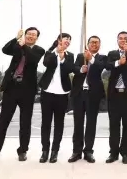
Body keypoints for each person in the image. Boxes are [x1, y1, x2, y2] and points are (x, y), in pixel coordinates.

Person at [0, 27, 45, 163]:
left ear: (37, 38)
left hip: (27, 90)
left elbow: (33, 59)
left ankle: (22, 150)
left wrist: (24, 46)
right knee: (3, 121)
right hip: (11, 88)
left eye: (33, 35)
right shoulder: (18, 45)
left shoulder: (39, 50)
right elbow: (6, 50)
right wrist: (16, 39)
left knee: (25, 122)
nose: (30, 36)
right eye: (28, 34)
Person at [68, 35, 107, 163]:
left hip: (93, 94)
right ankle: (76, 151)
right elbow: (73, 68)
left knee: (91, 123)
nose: (94, 44)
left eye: (96, 42)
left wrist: (91, 59)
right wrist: (80, 69)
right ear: (88, 44)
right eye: (92, 42)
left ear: (99, 45)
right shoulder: (81, 56)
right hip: (79, 94)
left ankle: (88, 151)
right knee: (78, 123)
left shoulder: (102, 58)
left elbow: (100, 67)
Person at [38, 32, 74, 163]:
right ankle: (45, 151)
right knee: (46, 123)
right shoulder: (49, 52)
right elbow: (46, 63)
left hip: (62, 94)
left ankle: (55, 151)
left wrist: (63, 58)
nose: (67, 41)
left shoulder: (70, 55)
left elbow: (69, 69)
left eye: (69, 40)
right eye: (65, 39)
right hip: (47, 92)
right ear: (59, 40)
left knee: (59, 123)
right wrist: (56, 52)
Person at [104, 31, 127, 164]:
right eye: (120, 38)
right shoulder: (112, 54)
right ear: (117, 40)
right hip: (114, 94)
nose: (123, 40)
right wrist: (118, 62)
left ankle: (125, 152)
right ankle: (113, 152)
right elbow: (107, 66)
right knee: (114, 124)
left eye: (125, 38)